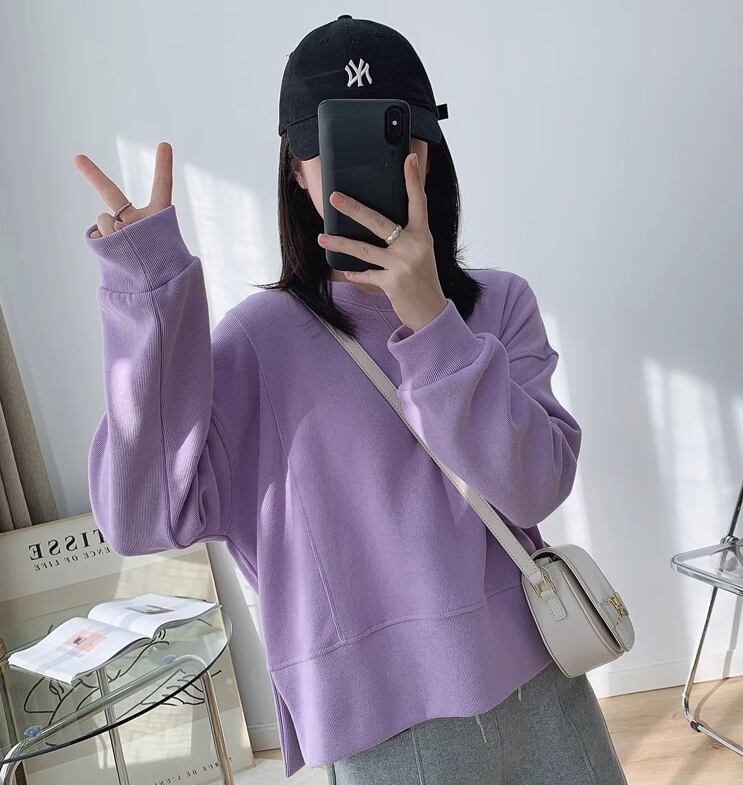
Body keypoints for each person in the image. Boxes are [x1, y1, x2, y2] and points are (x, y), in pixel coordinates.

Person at [74, 14, 628, 785]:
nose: (377, 161)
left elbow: (534, 486)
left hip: (541, 684)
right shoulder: (258, 341)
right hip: (383, 727)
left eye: (397, 132)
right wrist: (148, 294)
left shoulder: (498, 305)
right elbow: (142, 520)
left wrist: (431, 322)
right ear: (296, 172)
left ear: (428, 151)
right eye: (332, 143)